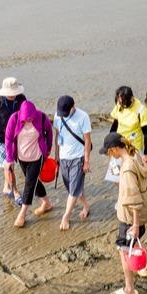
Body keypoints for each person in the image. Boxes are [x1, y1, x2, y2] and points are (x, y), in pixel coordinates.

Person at [102, 133, 147, 294]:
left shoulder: (126, 170)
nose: (109, 155)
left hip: (130, 218)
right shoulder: (134, 155)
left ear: (114, 150)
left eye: (108, 152)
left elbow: (134, 201)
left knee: (124, 249)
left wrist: (134, 225)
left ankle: (129, 289)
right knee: (135, 241)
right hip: (142, 213)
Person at [5, 100, 53, 227]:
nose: (29, 121)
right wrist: (9, 159)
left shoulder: (42, 117)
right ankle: (46, 203)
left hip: (37, 156)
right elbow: (8, 139)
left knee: (29, 183)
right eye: (26, 119)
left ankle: (22, 214)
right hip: (21, 157)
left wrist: (47, 150)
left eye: (31, 118)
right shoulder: (14, 119)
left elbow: (49, 133)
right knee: (33, 181)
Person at [54, 95, 93, 231]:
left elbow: (87, 140)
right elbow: (57, 135)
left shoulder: (83, 117)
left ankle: (66, 216)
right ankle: (86, 206)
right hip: (63, 158)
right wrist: (56, 157)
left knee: (74, 189)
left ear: (73, 107)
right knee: (72, 188)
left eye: (66, 112)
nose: (62, 115)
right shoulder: (58, 115)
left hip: (78, 157)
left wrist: (86, 161)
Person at [0, 78, 27, 204]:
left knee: (11, 165)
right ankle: (15, 192)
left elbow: (26, 116)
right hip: (1, 139)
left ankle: (6, 186)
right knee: (9, 166)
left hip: (18, 137)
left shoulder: (21, 99)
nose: (13, 94)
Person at [108, 86, 147, 183]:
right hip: (118, 145)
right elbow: (114, 125)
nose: (120, 104)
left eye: (123, 102)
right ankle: (123, 194)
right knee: (115, 177)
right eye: (119, 101)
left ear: (131, 99)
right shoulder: (119, 105)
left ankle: (137, 196)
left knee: (135, 177)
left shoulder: (141, 110)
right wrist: (108, 143)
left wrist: (146, 153)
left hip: (133, 147)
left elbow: (146, 133)